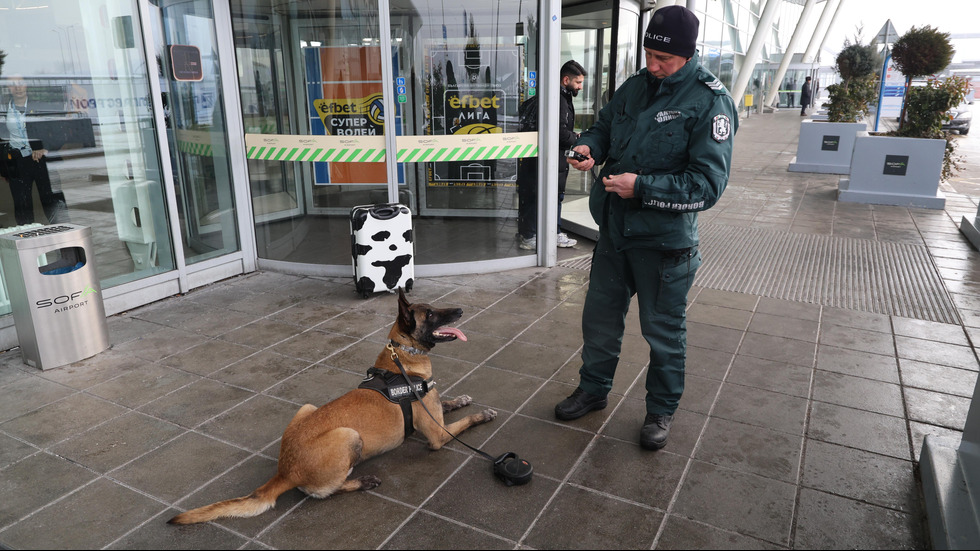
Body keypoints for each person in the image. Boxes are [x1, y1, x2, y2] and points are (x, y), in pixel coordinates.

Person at [556, 5, 737, 451]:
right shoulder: (636, 87)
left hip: (664, 245)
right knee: (599, 321)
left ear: (689, 55)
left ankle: (661, 409)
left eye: (664, 60)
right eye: (649, 55)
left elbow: (708, 187)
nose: (654, 66)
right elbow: (602, 127)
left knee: (663, 333)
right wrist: (587, 146)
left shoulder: (710, 101)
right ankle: (593, 388)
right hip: (614, 234)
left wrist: (641, 187)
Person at [516, 60, 586, 250]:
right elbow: (559, 133)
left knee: (553, 195)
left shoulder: (558, 97)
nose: (580, 86)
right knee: (538, 195)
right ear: (566, 80)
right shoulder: (558, 100)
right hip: (546, 158)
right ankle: (530, 235)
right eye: (578, 82)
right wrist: (577, 138)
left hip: (549, 158)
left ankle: (551, 233)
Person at [1, 75, 69, 225]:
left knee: (50, 201)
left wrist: (46, 148)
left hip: (40, 159)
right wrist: (4, 166)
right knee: (22, 205)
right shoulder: (4, 109)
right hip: (17, 162)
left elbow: (60, 132)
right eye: (13, 84)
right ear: (8, 88)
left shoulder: (39, 106)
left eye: (20, 83)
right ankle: (28, 242)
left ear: (26, 85)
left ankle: (64, 239)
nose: (17, 87)